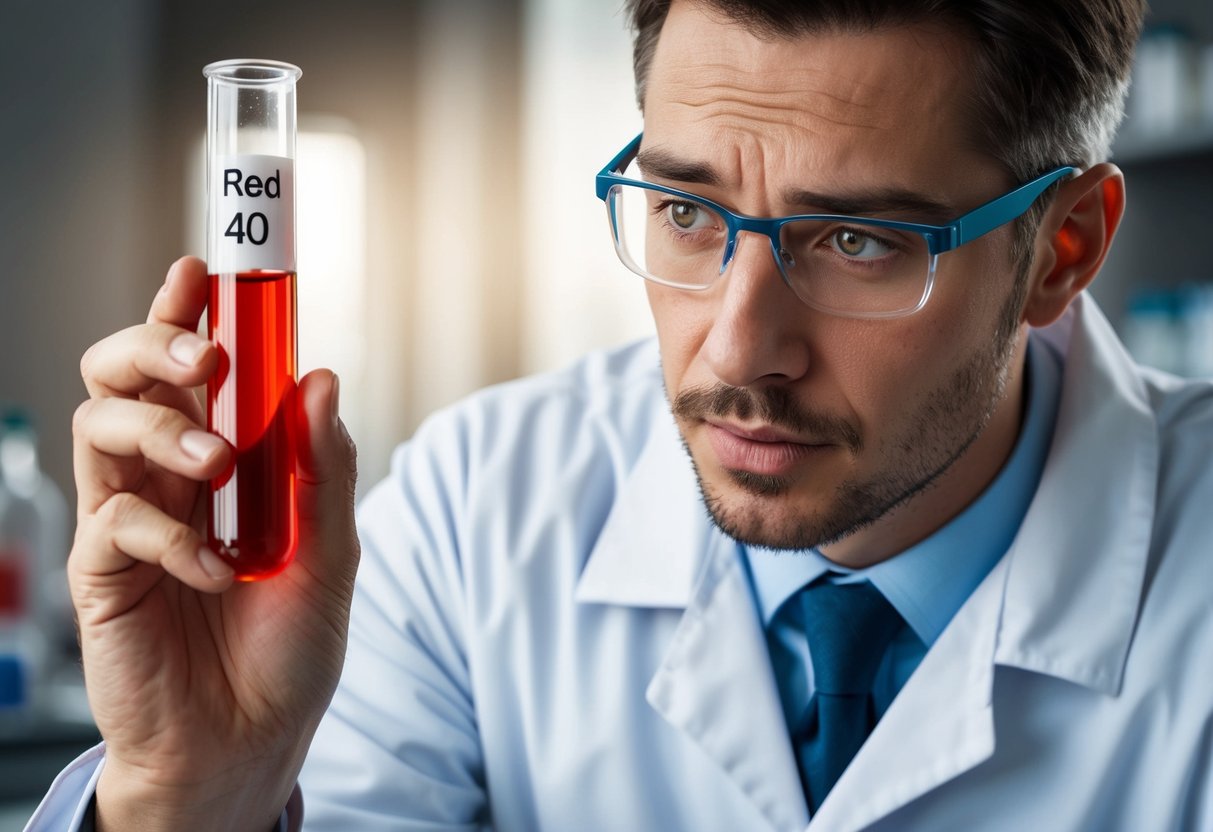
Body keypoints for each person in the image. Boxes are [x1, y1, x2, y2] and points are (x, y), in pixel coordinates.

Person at [27, 0, 1213, 829]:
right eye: (687, 216)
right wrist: (194, 797)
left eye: (858, 241)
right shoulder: (473, 507)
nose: (741, 347)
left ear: (1063, 249)